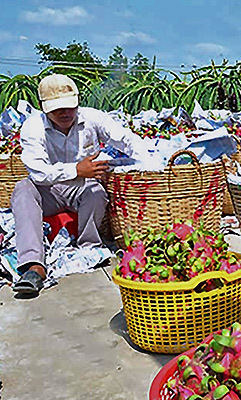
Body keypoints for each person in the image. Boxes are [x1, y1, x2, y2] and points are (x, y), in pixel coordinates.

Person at [11, 74, 143, 296]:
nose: (65, 113)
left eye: (70, 107)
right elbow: (39, 173)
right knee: (23, 189)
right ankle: (33, 264)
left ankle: (88, 247)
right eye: (57, 109)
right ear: (44, 108)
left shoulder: (92, 118)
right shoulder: (32, 127)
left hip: (81, 188)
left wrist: (146, 162)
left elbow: (126, 139)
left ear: (77, 102)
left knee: (96, 191)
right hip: (48, 192)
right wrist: (76, 169)